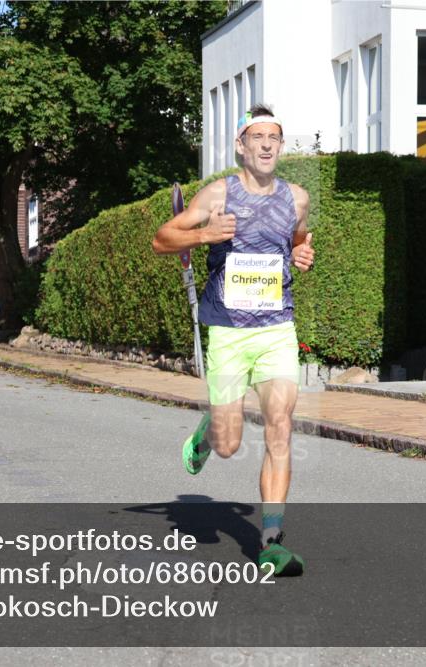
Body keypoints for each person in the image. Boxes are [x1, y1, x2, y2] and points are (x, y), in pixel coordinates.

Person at [152, 104, 315, 577]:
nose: (267, 144)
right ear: (241, 146)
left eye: (275, 137)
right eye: (258, 137)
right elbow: (163, 239)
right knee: (228, 444)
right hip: (226, 328)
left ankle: (272, 541)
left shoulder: (297, 198)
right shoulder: (217, 195)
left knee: (280, 425)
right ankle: (208, 432)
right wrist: (204, 235)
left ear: (280, 146)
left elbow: (299, 238)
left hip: (276, 328)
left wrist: (303, 253)